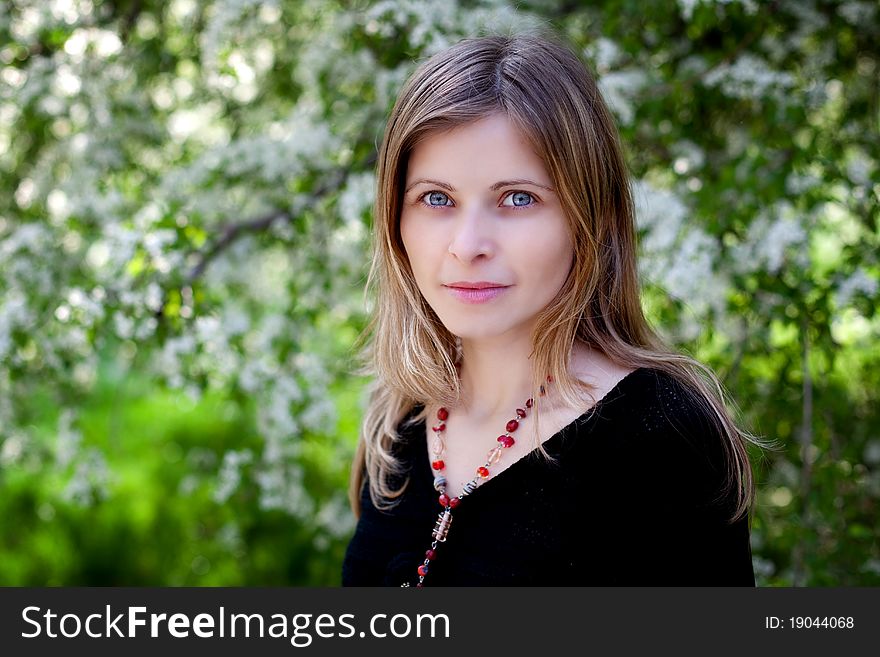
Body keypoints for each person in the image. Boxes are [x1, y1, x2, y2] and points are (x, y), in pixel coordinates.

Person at [342, 31, 765, 587]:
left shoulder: (661, 436)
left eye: (517, 198)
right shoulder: (400, 421)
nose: (467, 245)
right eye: (436, 199)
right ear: (397, 220)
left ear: (589, 218)